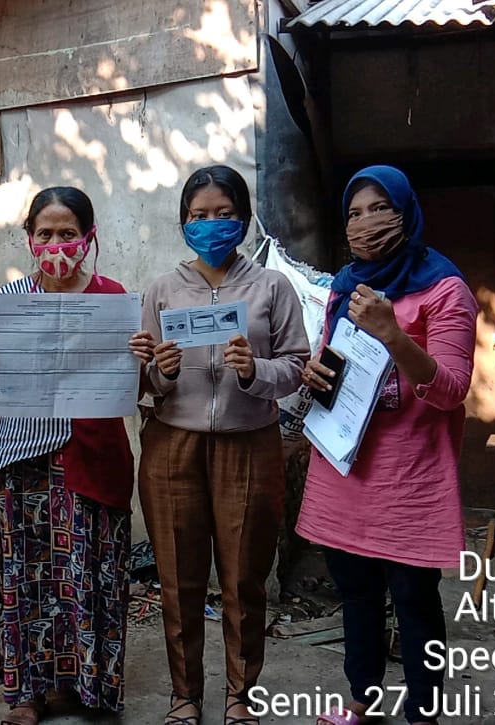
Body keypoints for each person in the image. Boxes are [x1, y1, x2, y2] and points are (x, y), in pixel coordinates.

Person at [0, 186, 156, 725]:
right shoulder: (9, 301)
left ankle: (78, 686)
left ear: (88, 238)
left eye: (68, 233)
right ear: (29, 239)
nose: (56, 244)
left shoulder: (114, 300)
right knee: (25, 579)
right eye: (45, 234)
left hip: (91, 457)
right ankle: (25, 694)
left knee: (85, 574)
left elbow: (134, 390)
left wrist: (141, 360)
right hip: (20, 459)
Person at [297, 165, 476, 725]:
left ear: (406, 212)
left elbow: (450, 389)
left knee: (415, 599)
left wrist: (393, 333)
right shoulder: (344, 287)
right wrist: (315, 373)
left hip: (410, 475)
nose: (365, 222)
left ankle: (423, 713)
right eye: (354, 212)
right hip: (345, 468)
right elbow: (334, 360)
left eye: (380, 208)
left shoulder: (445, 289)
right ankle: (362, 698)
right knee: (355, 594)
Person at [140, 165, 309, 725]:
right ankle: (184, 695)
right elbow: (144, 381)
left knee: (243, 577)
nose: (210, 225)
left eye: (223, 214)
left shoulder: (271, 287)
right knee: (178, 578)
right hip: (173, 445)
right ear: (183, 222)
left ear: (243, 218)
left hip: (249, 443)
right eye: (198, 215)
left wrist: (254, 370)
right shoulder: (163, 290)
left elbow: (297, 366)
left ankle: (241, 693)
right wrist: (162, 371)